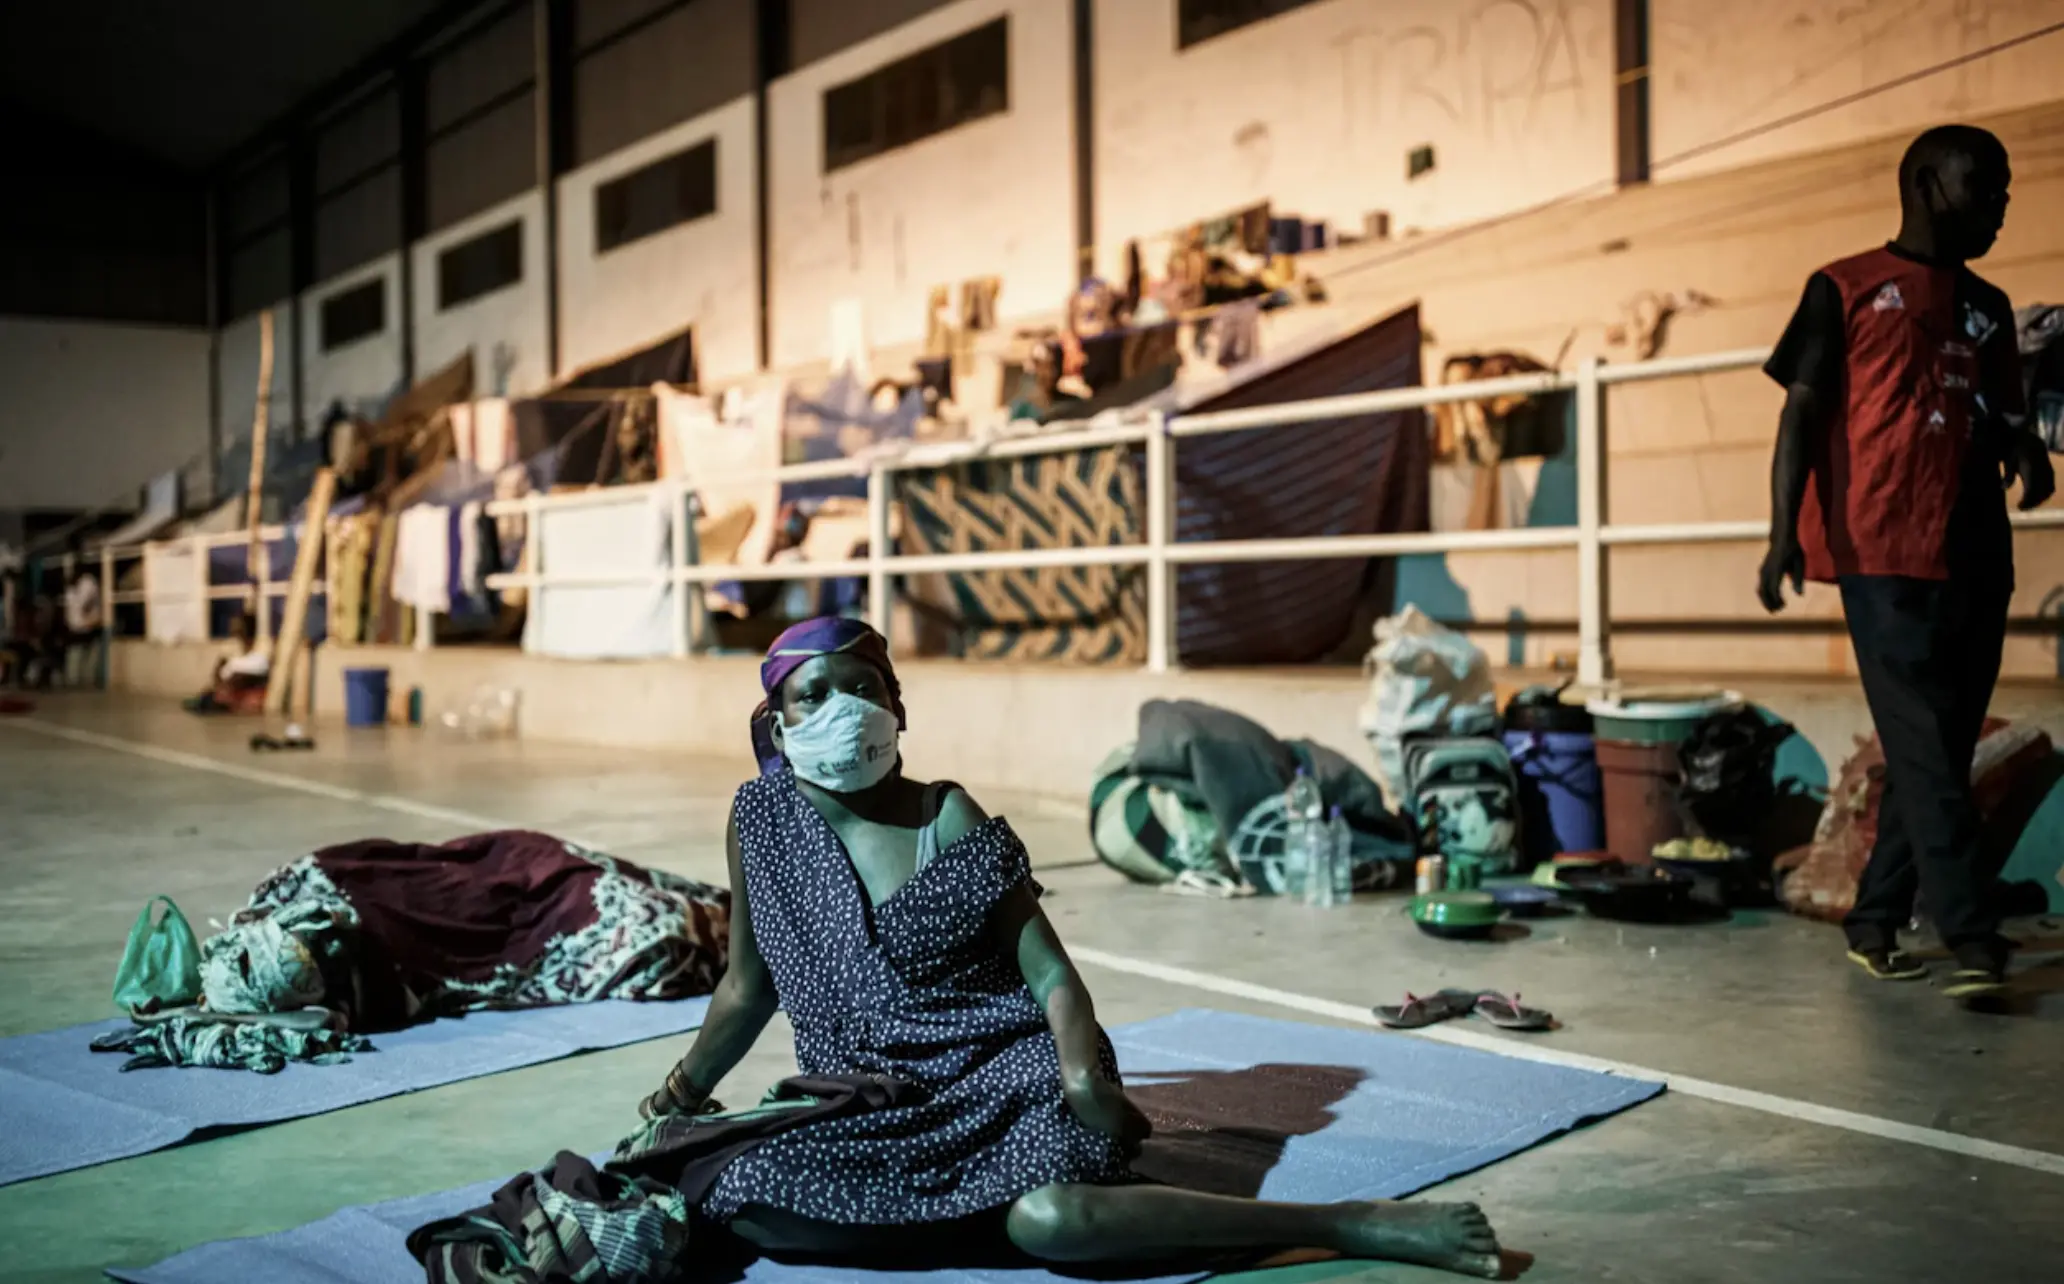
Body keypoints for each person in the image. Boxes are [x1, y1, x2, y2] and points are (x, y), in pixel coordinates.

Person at [631, 617, 1503, 1278]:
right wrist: (681, 1094)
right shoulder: (764, 825)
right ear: (776, 725)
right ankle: (990, 1212)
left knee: (1052, 1224)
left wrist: (1085, 1080)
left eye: (862, 685)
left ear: (897, 706)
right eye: (811, 696)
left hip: (1000, 1071)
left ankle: (1345, 1223)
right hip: (867, 1098)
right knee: (739, 1195)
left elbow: (1049, 974)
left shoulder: (946, 817)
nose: (841, 709)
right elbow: (749, 988)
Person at [1757, 124, 2057, 999]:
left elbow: (2004, 415)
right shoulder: (1840, 288)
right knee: (1924, 749)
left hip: (1975, 554)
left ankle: (1875, 916)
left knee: (1938, 750)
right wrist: (1783, 534)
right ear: (1928, 186)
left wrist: (2030, 453)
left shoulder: (1989, 307)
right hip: (1879, 551)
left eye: (2007, 189)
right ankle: (1972, 936)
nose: (2002, 204)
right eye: (1986, 185)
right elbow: (1799, 418)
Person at [62, 559, 103, 687]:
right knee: (86, 655)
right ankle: (84, 680)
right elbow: (87, 602)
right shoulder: (88, 582)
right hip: (86, 625)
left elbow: (69, 607)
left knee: (75, 654)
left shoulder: (73, 586)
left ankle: (74, 679)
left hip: (76, 625)